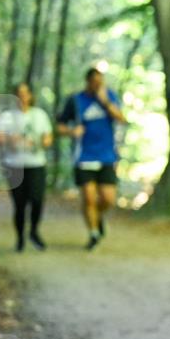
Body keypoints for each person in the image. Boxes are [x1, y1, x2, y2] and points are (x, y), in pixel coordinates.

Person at [56, 68, 126, 250]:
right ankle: (94, 233)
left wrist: (105, 101)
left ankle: (97, 216)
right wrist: (72, 131)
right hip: (84, 156)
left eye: (101, 82)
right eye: (95, 82)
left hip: (106, 156)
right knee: (88, 197)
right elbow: (59, 126)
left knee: (108, 199)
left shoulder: (109, 96)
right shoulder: (75, 101)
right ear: (88, 82)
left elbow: (121, 118)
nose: (98, 85)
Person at [0, 82, 54, 252]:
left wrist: (43, 142)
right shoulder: (7, 116)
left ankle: (34, 231)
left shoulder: (40, 115)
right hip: (14, 165)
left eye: (25, 93)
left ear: (31, 95)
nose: (22, 96)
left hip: (36, 164)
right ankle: (20, 238)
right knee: (19, 204)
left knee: (37, 200)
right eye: (19, 93)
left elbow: (48, 137)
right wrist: (10, 139)